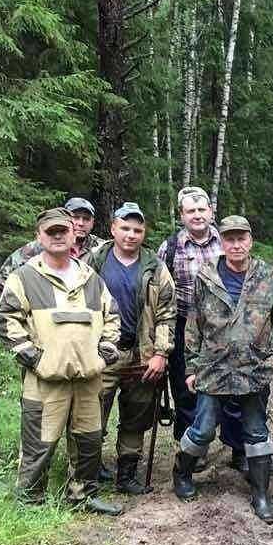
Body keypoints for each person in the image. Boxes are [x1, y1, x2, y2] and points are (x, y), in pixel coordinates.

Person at [0, 208, 123, 515]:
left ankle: (83, 496)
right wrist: (35, 359)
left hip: (88, 379)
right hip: (44, 381)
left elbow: (112, 318)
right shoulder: (24, 276)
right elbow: (6, 321)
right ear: (39, 236)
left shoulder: (90, 277)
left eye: (62, 231)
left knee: (89, 440)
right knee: (39, 443)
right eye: (50, 232)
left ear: (73, 234)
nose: (57, 236)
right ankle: (30, 500)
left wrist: (103, 352)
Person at [172, 215, 273, 522]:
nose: (236, 244)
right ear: (222, 242)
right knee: (202, 429)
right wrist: (190, 367)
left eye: (241, 238)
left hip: (254, 369)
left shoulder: (267, 275)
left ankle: (261, 495)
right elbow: (192, 325)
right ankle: (182, 472)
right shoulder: (207, 275)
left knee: (256, 432)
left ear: (250, 241)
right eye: (230, 239)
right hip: (213, 368)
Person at [87, 202, 175, 494]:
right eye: (125, 228)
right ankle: (88, 474)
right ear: (113, 228)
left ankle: (126, 475)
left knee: (136, 417)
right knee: (91, 414)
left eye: (137, 229)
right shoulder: (93, 262)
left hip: (142, 356)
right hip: (102, 354)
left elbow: (166, 313)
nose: (131, 234)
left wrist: (161, 353)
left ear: (143, 232)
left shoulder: (156, 267)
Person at [157, 186, 244, 470]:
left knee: (235, 389)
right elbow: (159, 293)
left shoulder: (227, 242)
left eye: (201, 209)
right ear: (181, 215)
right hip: (184, 326)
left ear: (211, 212)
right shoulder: (170, 248)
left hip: (227, 328)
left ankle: (238, 449)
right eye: (190, 211)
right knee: (186, 389)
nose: (197, 215)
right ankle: (192, 452)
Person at [0, 196, 106, 295]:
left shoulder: (101, 248)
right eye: (76, 217)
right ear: (65, 219)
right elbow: (5, 276)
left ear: (92, 222)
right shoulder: (42, 245)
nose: (80, 223)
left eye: (86, 219)